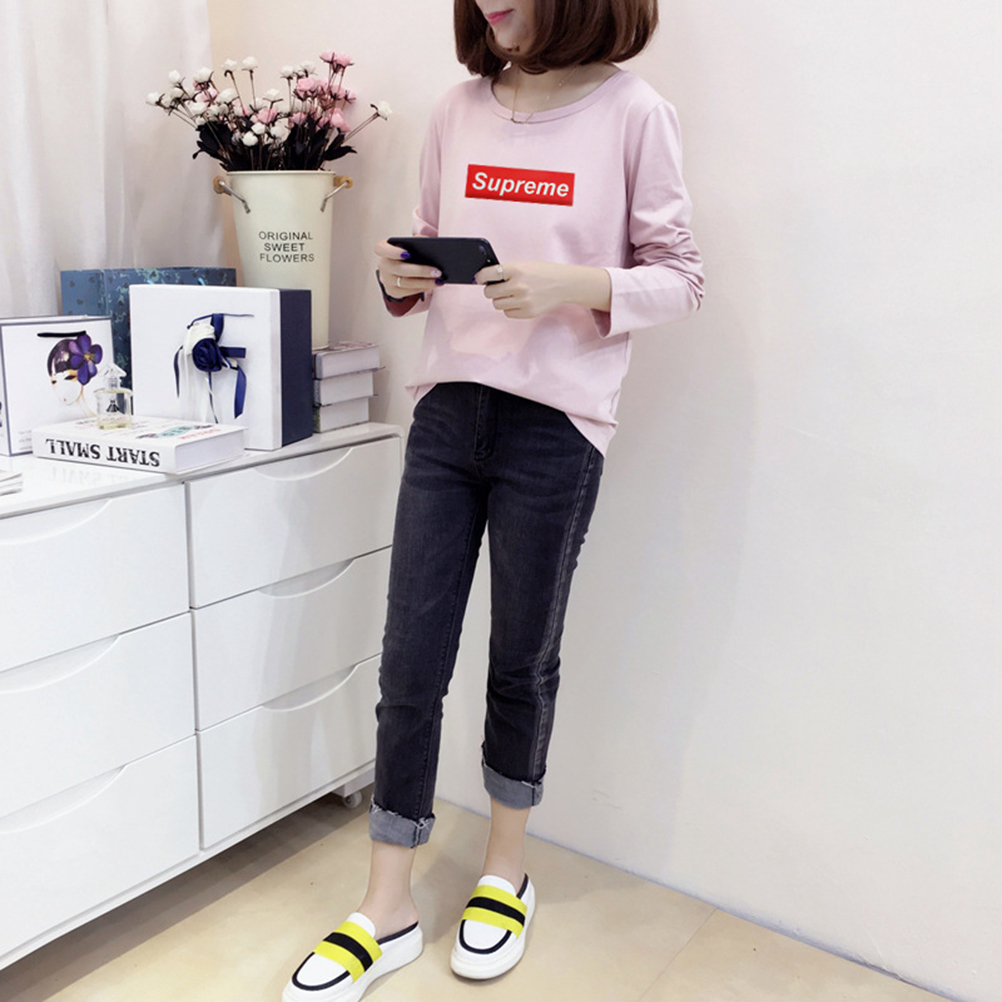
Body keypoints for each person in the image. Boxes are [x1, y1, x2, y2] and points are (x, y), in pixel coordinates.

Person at [282, 0, 702, 998]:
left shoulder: (634, 112)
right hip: (447, 415)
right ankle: (386, 902)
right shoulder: (458, 109)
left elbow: (682, 279)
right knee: (410, 659)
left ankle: (503, 872)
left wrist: (573, 285)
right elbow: (426, 267)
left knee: (521, 660)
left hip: (555, 428)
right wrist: (400, 276)